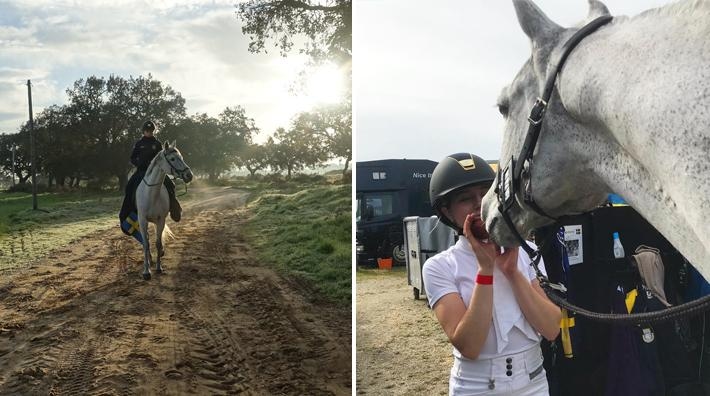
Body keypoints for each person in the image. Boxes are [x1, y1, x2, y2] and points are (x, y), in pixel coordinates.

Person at [422, 152, 562, 395]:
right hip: (477, 387)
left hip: (533, 382)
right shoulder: (440, 267)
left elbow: (551, 328)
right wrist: (485, 271)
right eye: (466, 199)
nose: (480, 203)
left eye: (486, 192)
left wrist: (512, 272)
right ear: (446, 212)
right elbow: (470, 345)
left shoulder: (527, 252)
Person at [122, 120, 181, 222]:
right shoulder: (139, 144)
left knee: (170, 184)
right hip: (142, 171)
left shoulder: (157, 143)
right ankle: (127, 212)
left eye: (151, 131)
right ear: (143, 131)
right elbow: (132, 158)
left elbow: (162, 157)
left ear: (153, 131)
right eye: (147, 131)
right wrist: (139, 163)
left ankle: (174, 208)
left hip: (156, 171)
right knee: (130, 186)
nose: (149, 132)